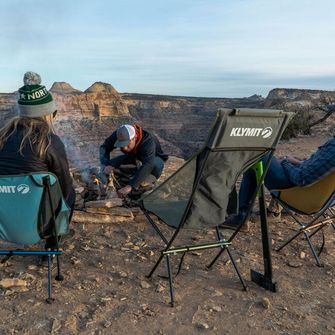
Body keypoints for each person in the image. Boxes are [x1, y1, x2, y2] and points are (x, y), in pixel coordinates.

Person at [0, 71, 75, 249]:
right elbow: (64, 188)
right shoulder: (49, 141)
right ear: (47, 113)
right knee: (71, 193)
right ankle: (53, 242)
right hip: (38, 226)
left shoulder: (2, 137)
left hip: (3, 226)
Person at [223, 137, 335, 230]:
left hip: (298, 194)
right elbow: (316, 170)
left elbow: (302, 179)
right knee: (273, 161)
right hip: (322, 200)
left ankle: (241, 217)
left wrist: (285, 162)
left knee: (257, 155)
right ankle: (272, 211)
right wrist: (298, 162)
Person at [100, 124, 168, 198]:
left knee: (157, 165)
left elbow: (148, 164)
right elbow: (104, 147)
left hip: (152, 158)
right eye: (122, 145)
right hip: (133, 156)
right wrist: (106, 164)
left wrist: (130, 186)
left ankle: (142, 183)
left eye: (127, 144)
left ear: (134, 138)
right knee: (109, 165)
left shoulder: (148, 141)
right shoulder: (119, 135)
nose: (124, 148)